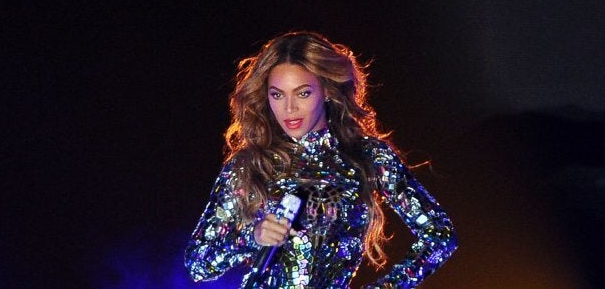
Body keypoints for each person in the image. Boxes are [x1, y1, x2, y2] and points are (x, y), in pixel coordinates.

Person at [184, 31, 458, 288]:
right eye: (277, 95)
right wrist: (252, 237)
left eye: (303, 93)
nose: (289, 108)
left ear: (326, 90)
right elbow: (197, 263)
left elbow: (440, 236)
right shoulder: (249, 164)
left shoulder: (369, 157)